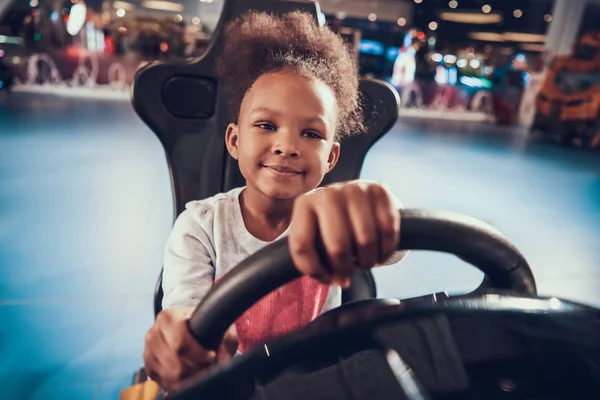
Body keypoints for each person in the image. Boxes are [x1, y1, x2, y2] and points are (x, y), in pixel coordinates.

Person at [143, 10, 406, 393]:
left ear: (331, 158)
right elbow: (185, 309)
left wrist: (376, 206)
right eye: (267, 126)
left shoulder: (333, 220)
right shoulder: (200, 227)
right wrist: (179, 337)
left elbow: (397, 242)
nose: (286, 146)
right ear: (234, 140)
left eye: (311, 134)